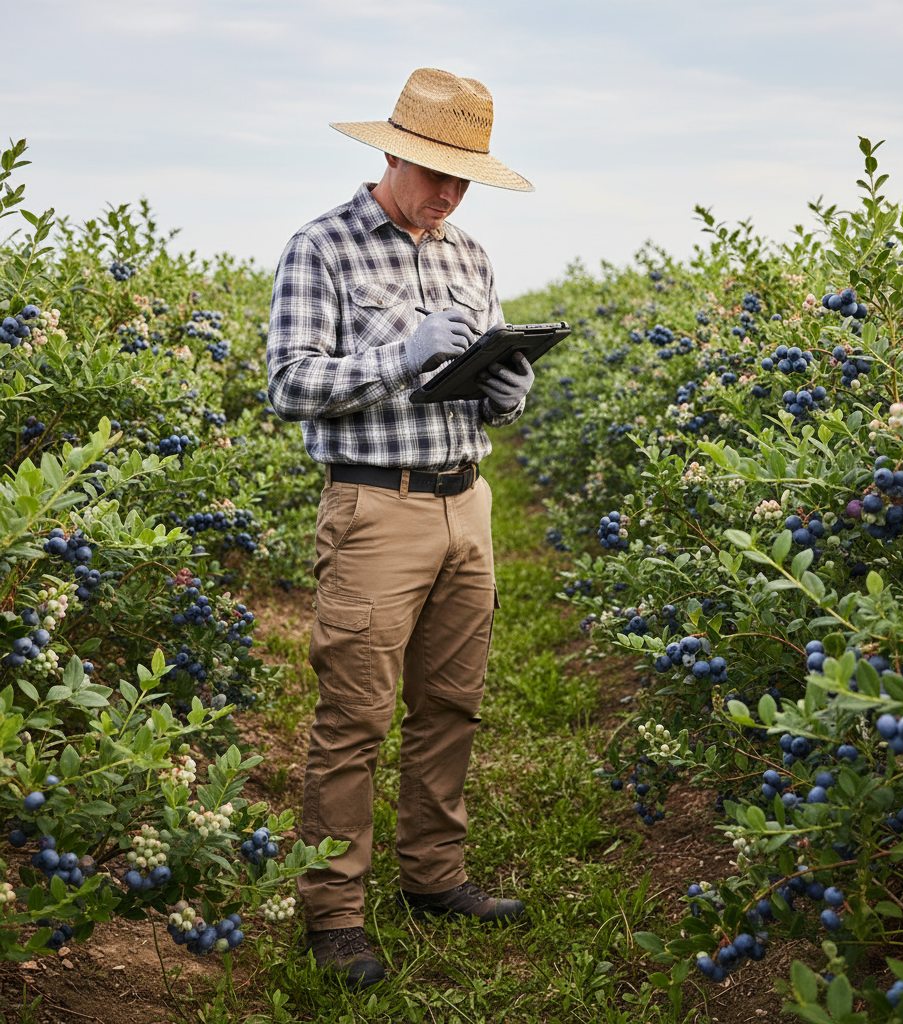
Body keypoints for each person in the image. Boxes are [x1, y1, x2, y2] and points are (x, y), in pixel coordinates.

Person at [265, 67, 536, 990]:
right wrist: (396, 356)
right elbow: (290, 383)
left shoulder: (470, 254)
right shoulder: (322, 248)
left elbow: (475, 378)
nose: (449, 194)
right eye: (435, 173)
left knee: (451, 702)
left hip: (469, 501)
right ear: (392, 152)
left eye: (464, 178)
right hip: (376, 506)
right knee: (354, 716)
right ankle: (335, 911)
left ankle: (434, 874)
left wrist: (503, 389)